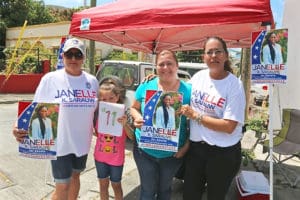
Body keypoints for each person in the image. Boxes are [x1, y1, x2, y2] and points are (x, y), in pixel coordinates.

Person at [12, 37, 99, 200]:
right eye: (69, 54)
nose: (73, 59)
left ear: (83, 58)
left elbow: (99, 110)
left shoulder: (92, 81)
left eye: (78, 55)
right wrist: (18, 124)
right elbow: (35, 106)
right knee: (62, 185)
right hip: (59, 143)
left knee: (75, 177)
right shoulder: (50, 79)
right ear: (63, 56)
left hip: (82, 143)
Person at [181, 36, 246, 200]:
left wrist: (196, 116)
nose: (214, 56)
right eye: (209, 52)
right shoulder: (198, 77)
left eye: (218, 51)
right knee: (190, 195)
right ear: (204, 57)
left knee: (216, 196)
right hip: (197, 150)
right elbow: (178, 93)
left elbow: (228, 126)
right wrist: (156, 81)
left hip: (223, 154)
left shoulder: (234, 85)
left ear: (225, 56)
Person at [130, 49, 191, 200]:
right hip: (144, 152)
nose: (165, 67)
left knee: (165, 190)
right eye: (161, 64)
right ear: (156, 67)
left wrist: (186, 147)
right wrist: (137, 118)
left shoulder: (188, 91)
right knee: (147, 191)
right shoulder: (145, 86)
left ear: (177, 66)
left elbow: (195, 123)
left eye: (169, 63)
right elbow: (133, 107)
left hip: (173, 154)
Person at [94, 76, 134, 200]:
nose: (108, 101)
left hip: (116, 158)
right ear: (100, 100)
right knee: (103, 185)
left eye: (111, 98)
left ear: (117, 97)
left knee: (116, 185)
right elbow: (96, 133)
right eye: (104, 99)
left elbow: (132, 136)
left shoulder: (123, 114)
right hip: (100, 156)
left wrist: (125, 124)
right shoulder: (97, 113)